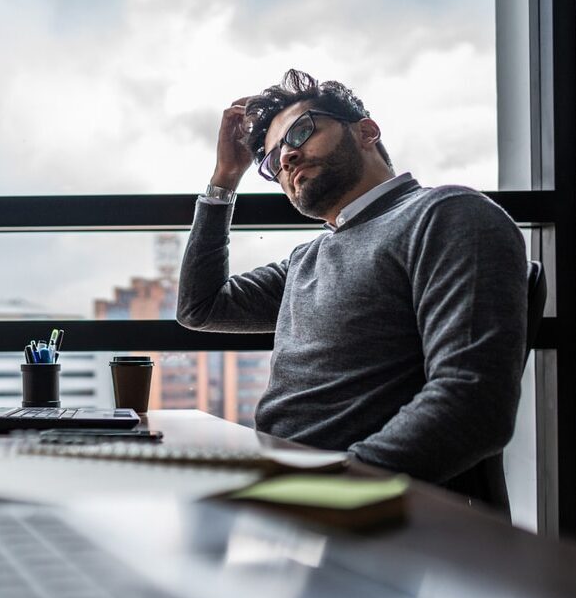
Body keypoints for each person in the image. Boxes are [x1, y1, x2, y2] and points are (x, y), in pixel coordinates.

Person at [177, 69, 528, 500]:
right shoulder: (309, 259)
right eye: (271, 161)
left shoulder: (446, 215)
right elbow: (201, 307)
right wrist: (226, 178)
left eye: (301, 131)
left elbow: (472, 401)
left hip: (355, 510)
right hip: (282, 488)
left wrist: (333, 487)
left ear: (366, 131)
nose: (286, 158)